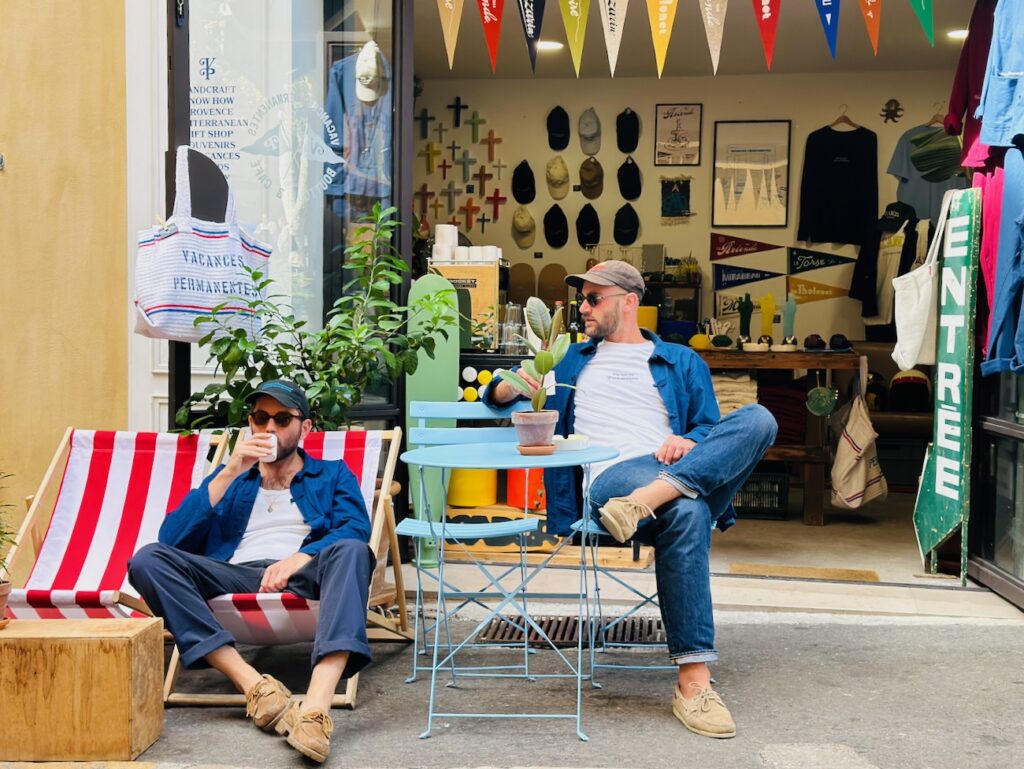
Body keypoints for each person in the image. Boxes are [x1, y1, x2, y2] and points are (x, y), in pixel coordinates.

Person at [485, 261, 777, 739]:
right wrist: (517, 380)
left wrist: (688, 443)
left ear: (629, 302)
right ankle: (694, 683)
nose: (583, 308)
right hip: (610, 482)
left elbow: (707, 427)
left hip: (669, 474)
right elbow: (495, 398)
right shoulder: (569, 358)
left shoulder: (681, 360)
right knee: (689, 507)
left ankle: (654, 497)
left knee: (759, 420)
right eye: (582, 299)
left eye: (594, 298)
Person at [128, 380, 373, 763]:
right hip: (236, 573)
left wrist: (300, 556)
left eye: (282, 418)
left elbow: (355, 527)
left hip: (304, 575)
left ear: (305, 427)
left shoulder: (332, 474)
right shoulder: (233, 479)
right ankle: (255, 686)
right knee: (147, 559)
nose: (270, 428)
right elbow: (171, 539)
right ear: (250, 423)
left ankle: (314, 709)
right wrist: (229, 470)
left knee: (354, 550)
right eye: (261, 418)